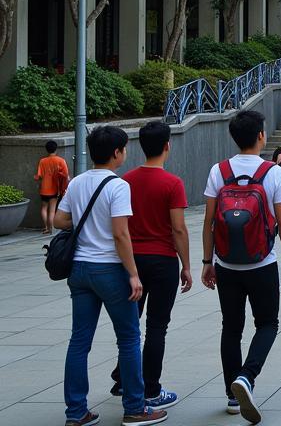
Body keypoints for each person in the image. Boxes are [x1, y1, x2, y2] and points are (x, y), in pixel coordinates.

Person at [55, 125, 166, 426]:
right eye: (124, 149)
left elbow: (59, 219)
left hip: (79, 270)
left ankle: (76, 412)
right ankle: (134, 408)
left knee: (79, 341)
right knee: (129, 338)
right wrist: (133, 274)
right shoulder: (118, 186)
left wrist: (86, 225)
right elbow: (121, 235)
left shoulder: (77, 182)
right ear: (117, 153)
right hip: (110, 270)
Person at [201, 109, 281, 424]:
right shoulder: (273, 172)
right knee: (267, 324)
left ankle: (231, 396)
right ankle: (247, 376)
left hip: (226, 263)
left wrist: (207, 261)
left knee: (231, 327)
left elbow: (210, 221)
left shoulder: (219, 170)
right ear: (261, 136)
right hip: (262, 263)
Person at [108, 121, 191, 411]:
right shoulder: (172, 183)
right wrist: (187, 265)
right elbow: (178, 230)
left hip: (131, 260)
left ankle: (122, 378)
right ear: (167, 145)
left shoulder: (125, 180)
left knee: (131, 324)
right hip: (163, 260)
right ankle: (152, 389)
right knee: (157, 325)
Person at [35, 138, 69, 234]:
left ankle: (46, 227)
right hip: (54, 189)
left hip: (43, 189)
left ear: (47, 149)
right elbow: (66, 174)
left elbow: (39, 175)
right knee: (52, 210)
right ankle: (51, 229)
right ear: (56, 149)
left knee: (44, 208)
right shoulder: (60, 161)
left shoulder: (42, 161)